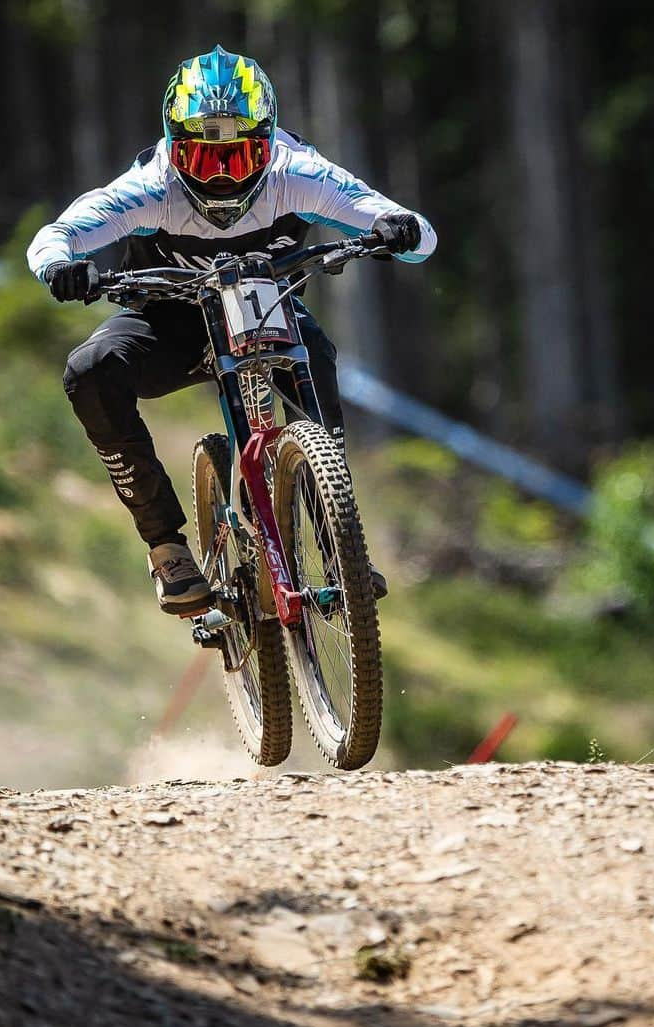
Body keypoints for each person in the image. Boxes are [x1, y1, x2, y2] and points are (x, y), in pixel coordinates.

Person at [27, 45, 436, 615]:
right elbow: (55, 236)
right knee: (90, 372)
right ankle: (166, 545)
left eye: (241, 157)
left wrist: (400, 231)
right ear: (174, 151)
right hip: (168, 320)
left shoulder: (299, 173)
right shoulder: (151, 185)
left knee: (313, 352)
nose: (222, 176)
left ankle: (339, 542)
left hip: (268, 305)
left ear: (268, 146)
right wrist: (60, 267)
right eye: (202, 158)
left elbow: (412, 228)